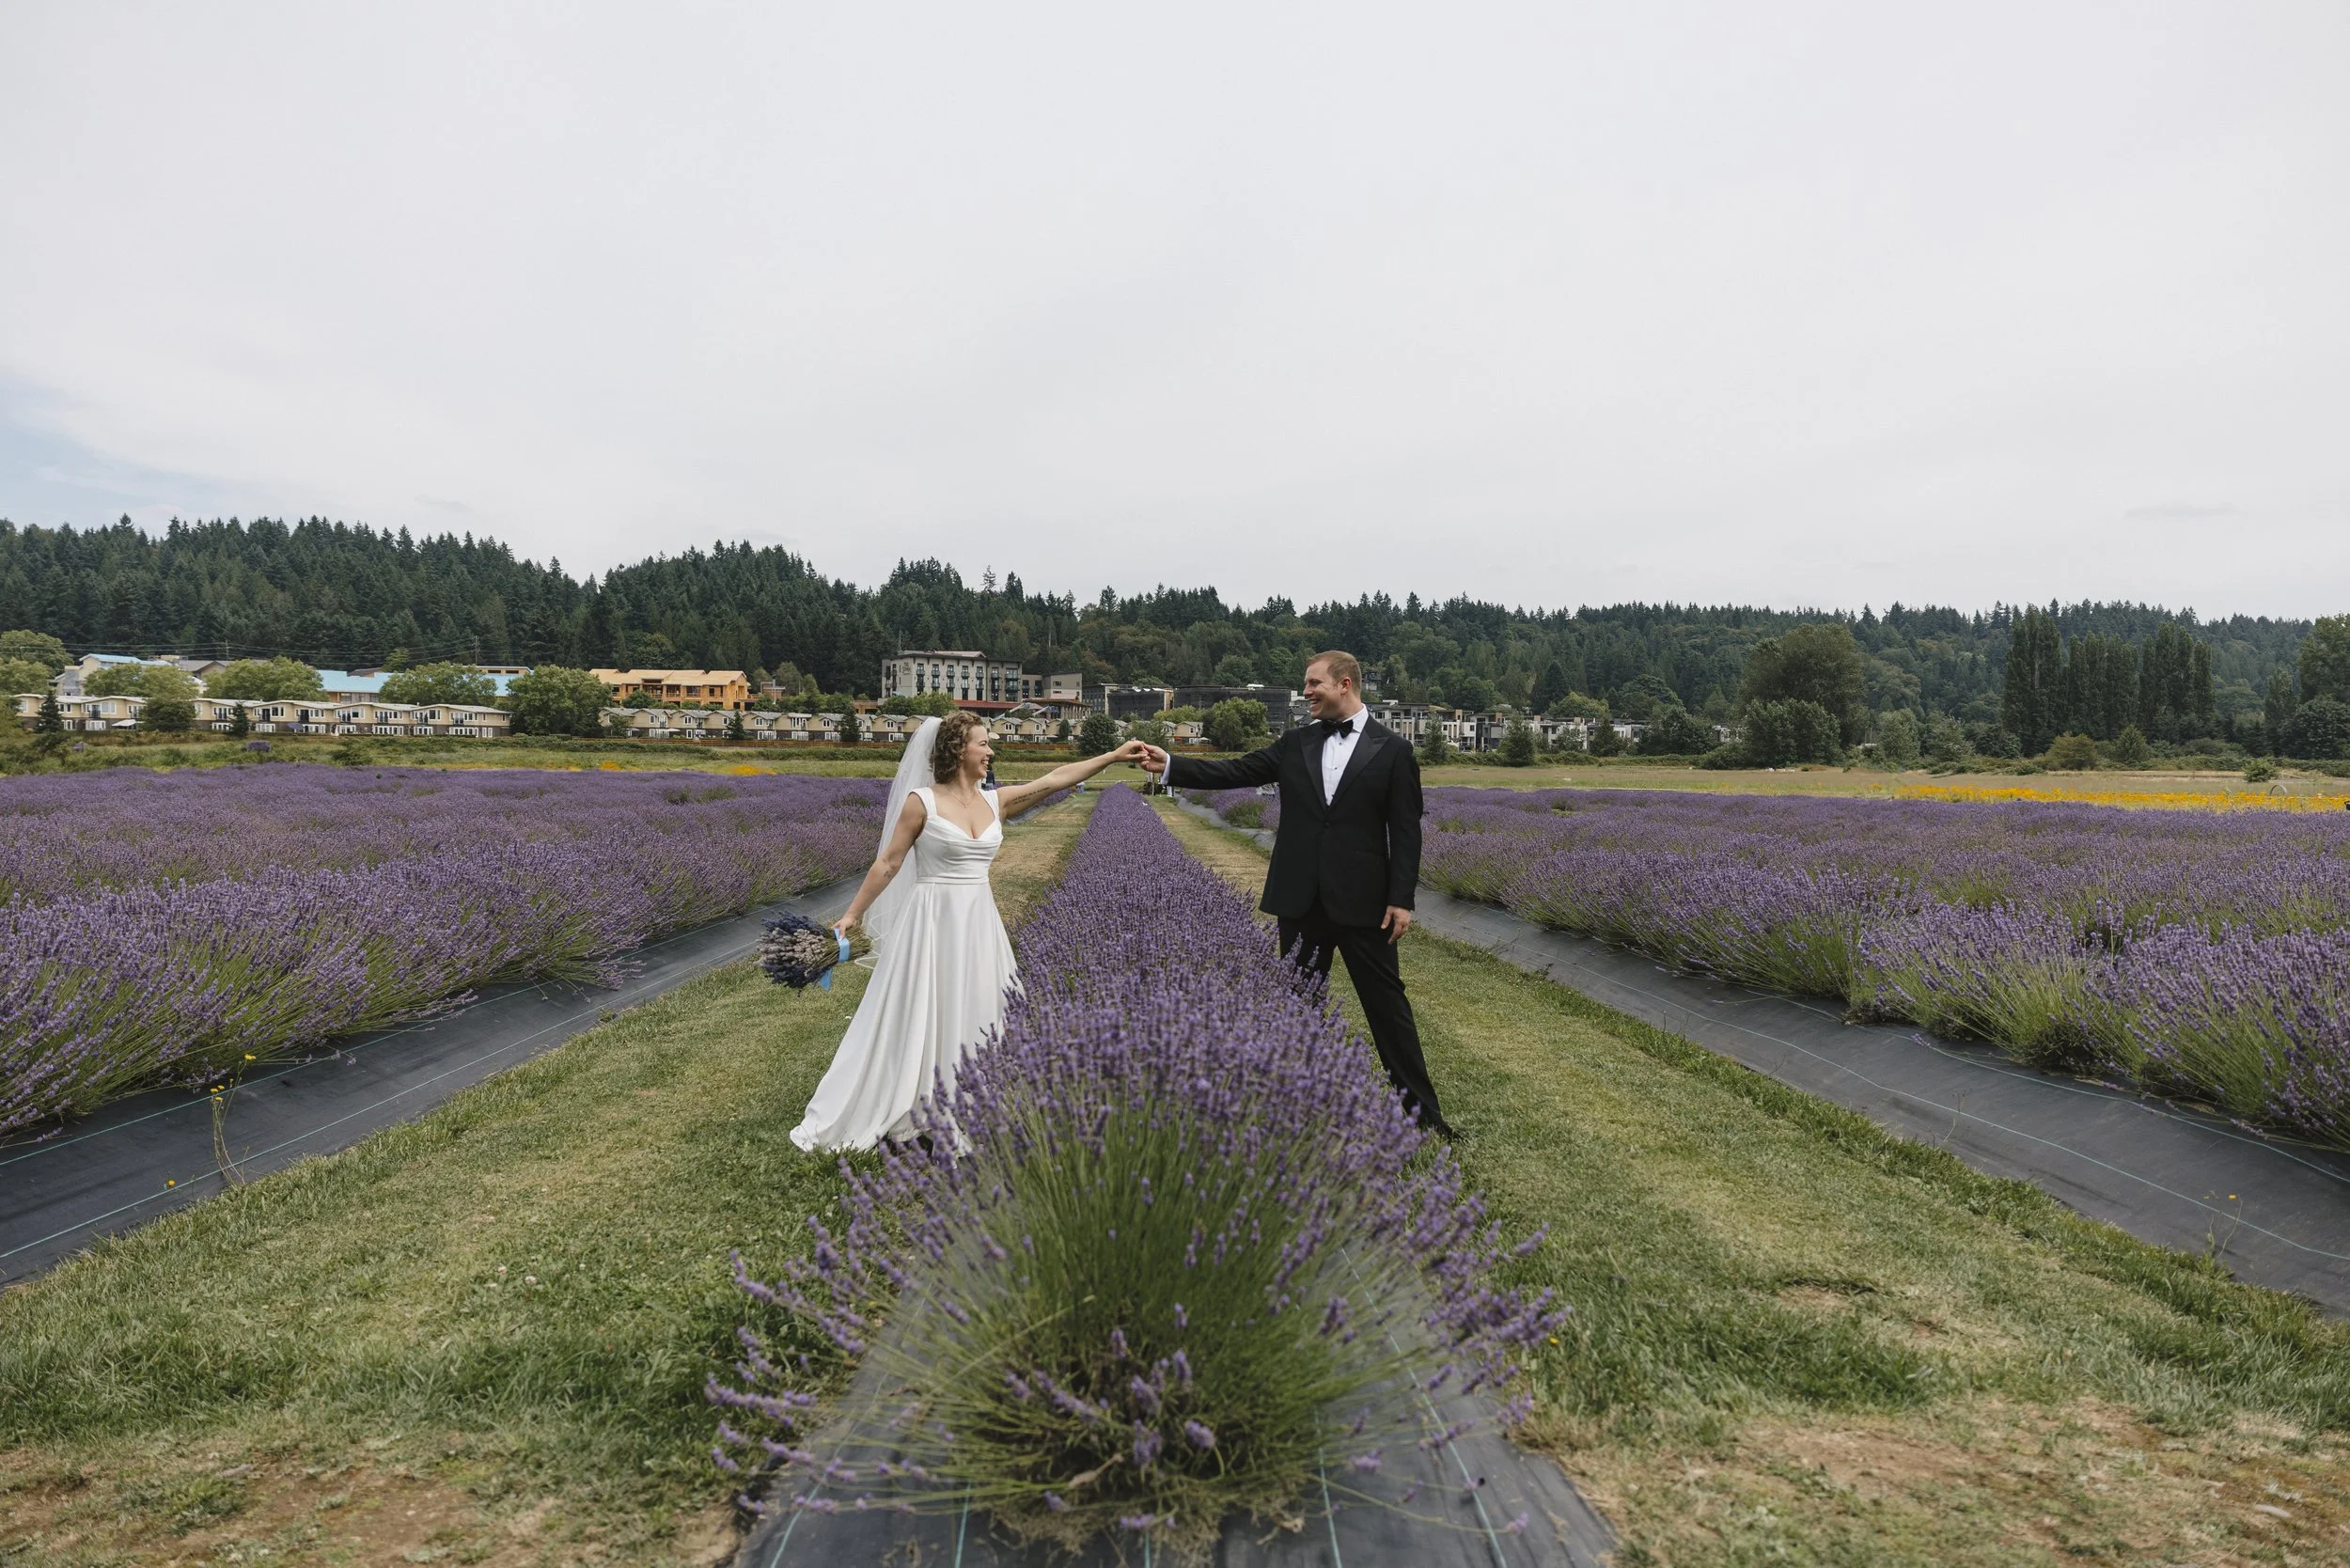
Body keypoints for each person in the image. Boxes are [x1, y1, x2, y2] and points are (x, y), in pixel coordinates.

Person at [791, 713, 1145, 1152]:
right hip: (932, 920)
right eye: (984, 743)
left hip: (979, 921)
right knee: (922, 1005)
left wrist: (1112, 755)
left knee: (981, 1002)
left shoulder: (995, 801)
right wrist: (852, 915)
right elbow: (888, 863)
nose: (991, 751)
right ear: (960, 751)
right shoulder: (922, 802)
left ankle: (969, 1096)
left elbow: (1056, 778)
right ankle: (911, 1095)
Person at [1138, 651, 1450, 1137]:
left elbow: (1406, 832)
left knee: (1388, 1010)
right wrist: (1171, 765)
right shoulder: (1295, 743)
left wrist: (1401, 898)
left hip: (1365, 903)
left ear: (1344, 684)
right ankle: (1296, 1110)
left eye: (1313, 684)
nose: (1305, 692)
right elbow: (1235, 772)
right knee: (1299, 1007)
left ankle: (1424, 1119)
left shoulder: (1393, 751)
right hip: (1300, 900)